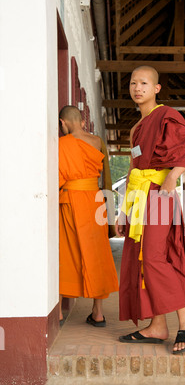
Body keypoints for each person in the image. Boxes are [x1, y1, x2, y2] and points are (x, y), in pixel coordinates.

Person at [116, 66, 185, 354]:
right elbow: (134, 169)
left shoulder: (167, 115)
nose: (137, 88)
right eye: (133, 83)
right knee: (144, 259)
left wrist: (172, 176)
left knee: (154, 258)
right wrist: (122, 210)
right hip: (140, 197)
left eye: (144, 83)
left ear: (156, 88)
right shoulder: (136, 129)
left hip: (160, 195)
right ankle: (157, 326)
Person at [59, 105, 118, 327]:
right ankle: (98, 313)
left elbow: (57, 178)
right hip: (95, 202)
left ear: (63, 123)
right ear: (82, 121)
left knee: (67, 252)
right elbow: (106, 179)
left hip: (71, 202)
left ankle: (58, 313)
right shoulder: (97, 142)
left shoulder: (62, 144)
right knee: (98, 253)